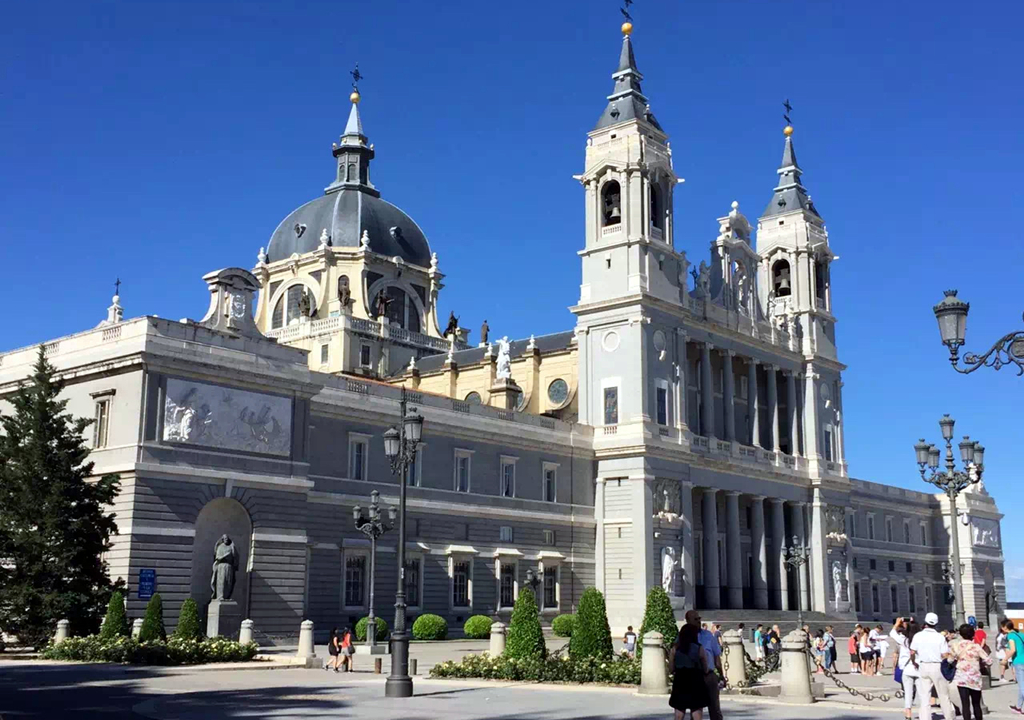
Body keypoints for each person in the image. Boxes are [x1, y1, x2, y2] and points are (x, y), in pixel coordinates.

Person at [910, 612, 955, 720]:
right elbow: (944, 655)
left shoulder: (918, 636)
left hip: (923, 665)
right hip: (937, 666)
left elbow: (912, 652)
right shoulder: (939, 637)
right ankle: (949, 717)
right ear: (936, 623)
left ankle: (925, 718)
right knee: (943, 695)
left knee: (924, 697)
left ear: (925, 622)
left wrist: (914, 662)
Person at [669, 621, 711, 720]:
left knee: (679, 714)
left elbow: (671, 669)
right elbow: (705, 669)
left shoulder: (675, 649)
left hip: (680, 680)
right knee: (696, 712)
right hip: (695, 681)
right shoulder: (699, 648)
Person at [953, 623, 992, 720]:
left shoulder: (956, 646)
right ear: (973, 634)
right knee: (976, 704)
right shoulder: (976, 647)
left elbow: (950, 660)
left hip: (961, 678)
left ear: (961, 634)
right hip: (975, 678)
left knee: (965, 704)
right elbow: (989, 661)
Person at [692, 611, 724, 720]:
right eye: (695, 619)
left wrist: (721, 674)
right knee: (695, 709)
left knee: (715, 708)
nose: (698, 621)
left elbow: (716, 656)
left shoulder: (708, 635)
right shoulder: (684, 636)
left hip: (709, 675)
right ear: (688, 621)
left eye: (699, 619)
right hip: (693, 676)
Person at [892, 617, 921, 720]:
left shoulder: (904, 640)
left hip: (907, 669)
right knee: (922, 694)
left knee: (907, 693)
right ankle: (924, 714)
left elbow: (892, 633)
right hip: (919, 669)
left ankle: (908, 715)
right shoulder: (920, 640)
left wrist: (897, 623)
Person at [1005, 618, 1024, 714]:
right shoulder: (1021, 634)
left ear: (1005, 627)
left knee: (1022, 686)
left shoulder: (1010, 636)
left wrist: (1004, 659)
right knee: (1022, 686)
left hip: (1019, 662)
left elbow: (1012, 650)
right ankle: (1019, 707)